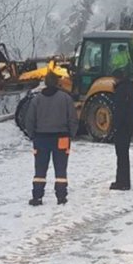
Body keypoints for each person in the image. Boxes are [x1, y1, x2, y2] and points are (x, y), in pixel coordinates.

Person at [24, 72, 79, 206]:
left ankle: (37, 197)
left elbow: (29, 119)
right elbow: (73, 118)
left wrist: (32, 135)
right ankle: (61, 197)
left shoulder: (36, 100)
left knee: (40, 170)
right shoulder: (65, 98)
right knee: (61, 169)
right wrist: (71, 134)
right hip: (61, 138)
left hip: (41, 139)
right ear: (57, 83)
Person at [110, 69, 133, 191]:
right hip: (129, 126)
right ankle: (124, 181)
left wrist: (115, 125)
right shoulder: (131, 88)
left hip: (121, 127)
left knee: (121, 155)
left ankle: (122, 182)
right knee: (124, 154)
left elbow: (119, 111)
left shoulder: (120, 91)